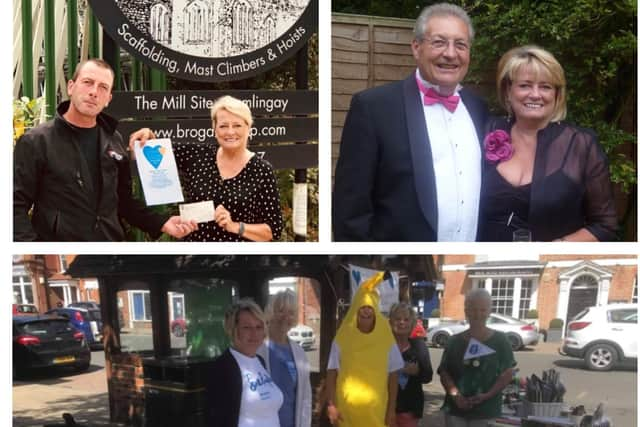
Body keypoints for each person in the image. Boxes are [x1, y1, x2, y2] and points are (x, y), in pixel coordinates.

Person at [333, 3, 488, 241]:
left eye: (460, 44)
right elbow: (351, 212)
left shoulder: (478, 109)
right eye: (439, 42)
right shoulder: (373, 107)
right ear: (416, 47)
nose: (450, 53)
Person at [13, 59, 196, 241]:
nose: (94, 92)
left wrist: (161, 223)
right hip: (60, 257)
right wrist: (34, 252)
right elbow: (14, 205)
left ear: (108, 99)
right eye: (88, 82)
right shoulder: (36, 141)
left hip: (109, 254)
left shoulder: (113, 140)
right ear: (71, 87)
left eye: (103, 87)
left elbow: (123, 202)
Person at [478, 45, 618, 241]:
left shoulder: (581, 145)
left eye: (545, 86)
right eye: (525, 85)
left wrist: (555, 249)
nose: (535, 94)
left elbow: (604, 225)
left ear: (557, 95)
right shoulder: (486, 130)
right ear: (508, 90)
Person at [130, 95, 283, 241]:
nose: (230, 132)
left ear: (248, 128)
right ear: (214, 129)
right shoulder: (196, 155)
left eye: (237, 125)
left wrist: (235, 226)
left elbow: (273, 230)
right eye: (223, 126)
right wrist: (147, 135)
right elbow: (157, 150)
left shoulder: (262, 171)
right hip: (194, 256)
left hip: (239, 259)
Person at [325, 272, 404, 427]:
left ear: (375, 311)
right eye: (363, 307)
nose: (366, 311)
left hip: (376, 413)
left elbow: (393, 376)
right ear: (356, 310)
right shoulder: (343, 336)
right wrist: (331, 405)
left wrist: (391, 410)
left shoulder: (386, 337)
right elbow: (331, 372)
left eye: (370, 308)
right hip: (346, 413)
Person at [438, 288, 516, 427]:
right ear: (466, 311)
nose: (478, 314)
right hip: (455, 411)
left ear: (489, 311)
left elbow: (507, 373)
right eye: (473, 309)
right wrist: (456, 396)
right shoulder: (454, 341)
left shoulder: (501, 340)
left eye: (483, 309)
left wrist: (487, 395)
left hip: (487, 411)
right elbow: (444, 372)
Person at [206, 298, 283, 427]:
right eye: (247, 327)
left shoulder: (260, 361)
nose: (254, 333)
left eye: (259, 327)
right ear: (233, 330)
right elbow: (216, 420)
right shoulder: (222, 368)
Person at [257, 290, 312, 427]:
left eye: (291, 313)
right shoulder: (257, 349)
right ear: (271, 312)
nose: (286, 317)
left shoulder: (299, 353)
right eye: (281, 310)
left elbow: (305, 397)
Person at [389, 302, 433, 427]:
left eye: (406, 319)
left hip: (410, 409)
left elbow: (428, 377)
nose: (402, 322)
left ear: (413, 324)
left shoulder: (419, 346)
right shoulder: (383, 347)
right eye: (397, 319)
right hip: (385, 407)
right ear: (390, 322)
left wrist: (418, 372)